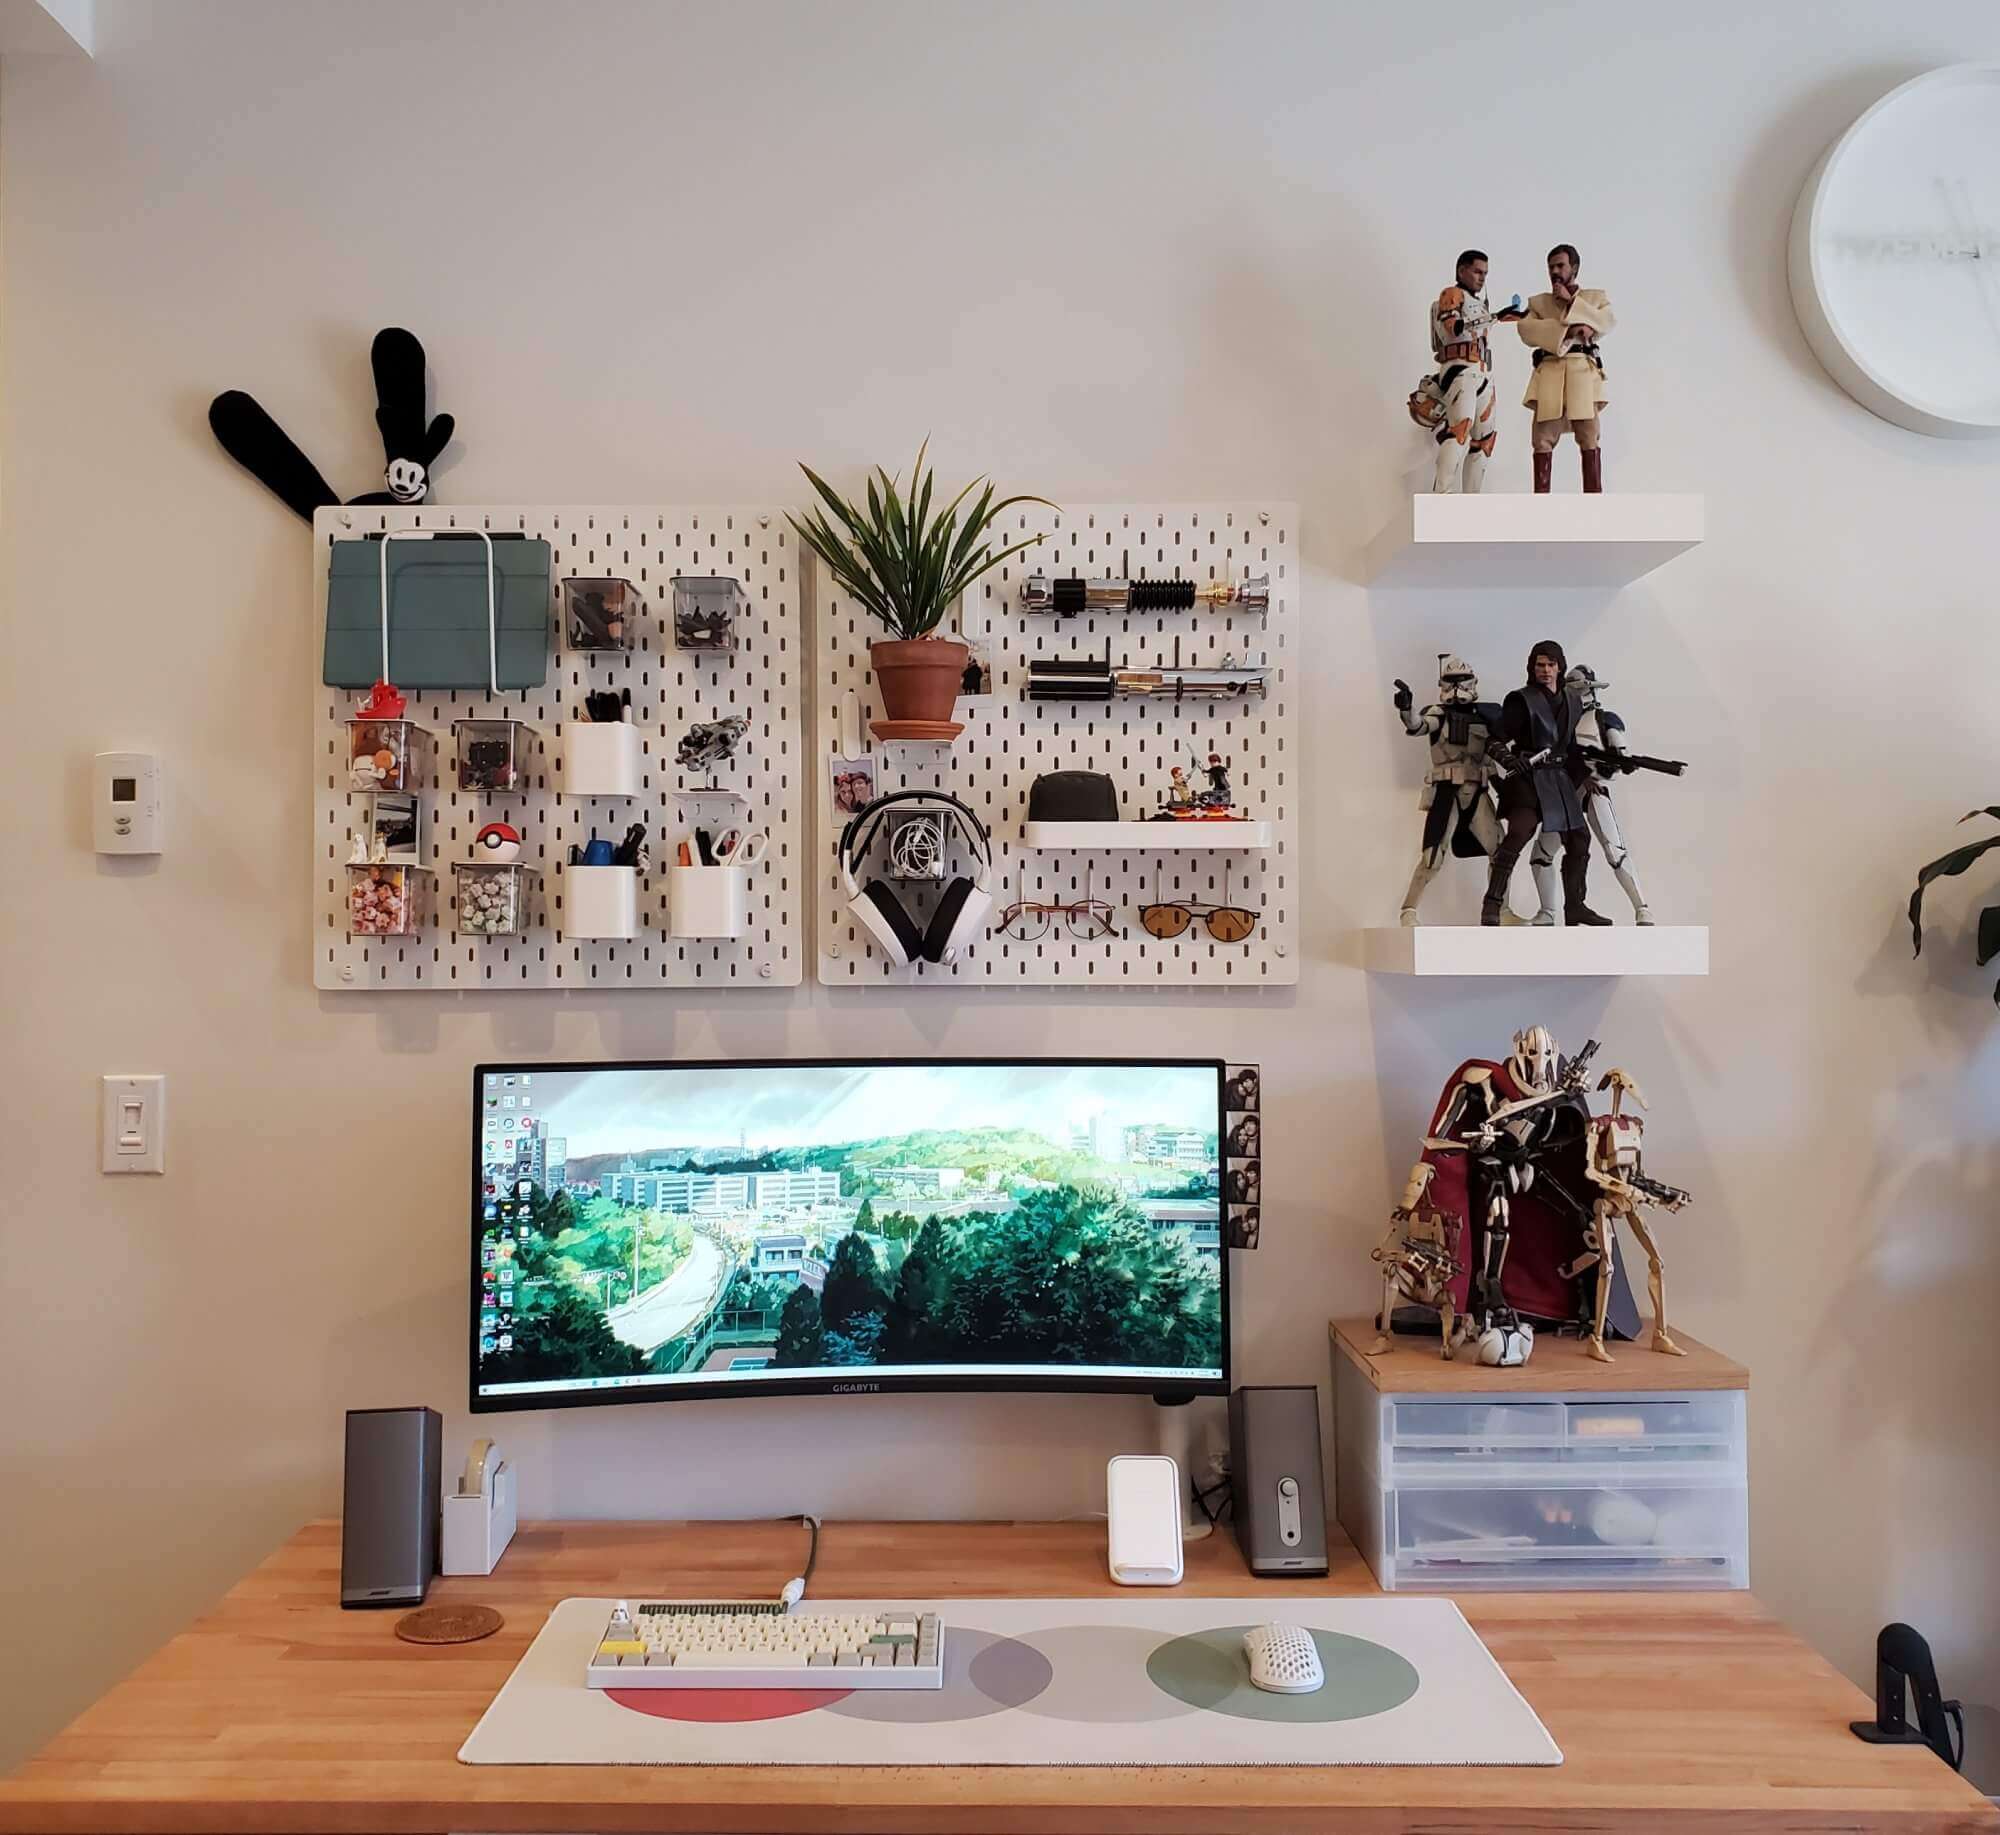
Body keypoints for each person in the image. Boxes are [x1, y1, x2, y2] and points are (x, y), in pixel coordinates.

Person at [1481, 639, 1609, 927]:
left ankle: (1575, 906)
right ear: (1532, 668)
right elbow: (1493, 739)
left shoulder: (1572, 700)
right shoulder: (1521, 700)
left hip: (1560, 781)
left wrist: (1587, 776)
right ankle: (1492, 903)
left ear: (1560, 666)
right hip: (1529, 779)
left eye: (1551, 664)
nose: (1546, 670)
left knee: (1579, 840)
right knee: (1518, 835)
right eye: (1540, 665)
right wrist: (1510, 760)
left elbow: (1572, 748)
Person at [1413, 249, 1524, 495]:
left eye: (1485, 273)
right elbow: (1454, 328)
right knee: (1458, 430)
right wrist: (1495, 317)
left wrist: (1515, 316)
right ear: (1462, 270)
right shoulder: (1452, 294)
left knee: (1484, 439)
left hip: (1483, 372)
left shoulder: (1481, 304)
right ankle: (1442, 493)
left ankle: (1472, 500)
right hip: (1460, 369)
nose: (1482, 278)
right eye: (1477, 271)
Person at [1516, 243, 1613, 493]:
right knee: (1542, 439)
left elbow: (1606, 320)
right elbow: (1526, 330)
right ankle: (1541, 500)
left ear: (1575, 268)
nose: (1555, 271)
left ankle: (1593, 498)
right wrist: (1567, 329)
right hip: (1550, 373)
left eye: (1560, 265)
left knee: (1589, 436)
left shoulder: (1594, 298)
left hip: (1582, 375)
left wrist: (1573, 303)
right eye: (1551, 267)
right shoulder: (1538, 303)